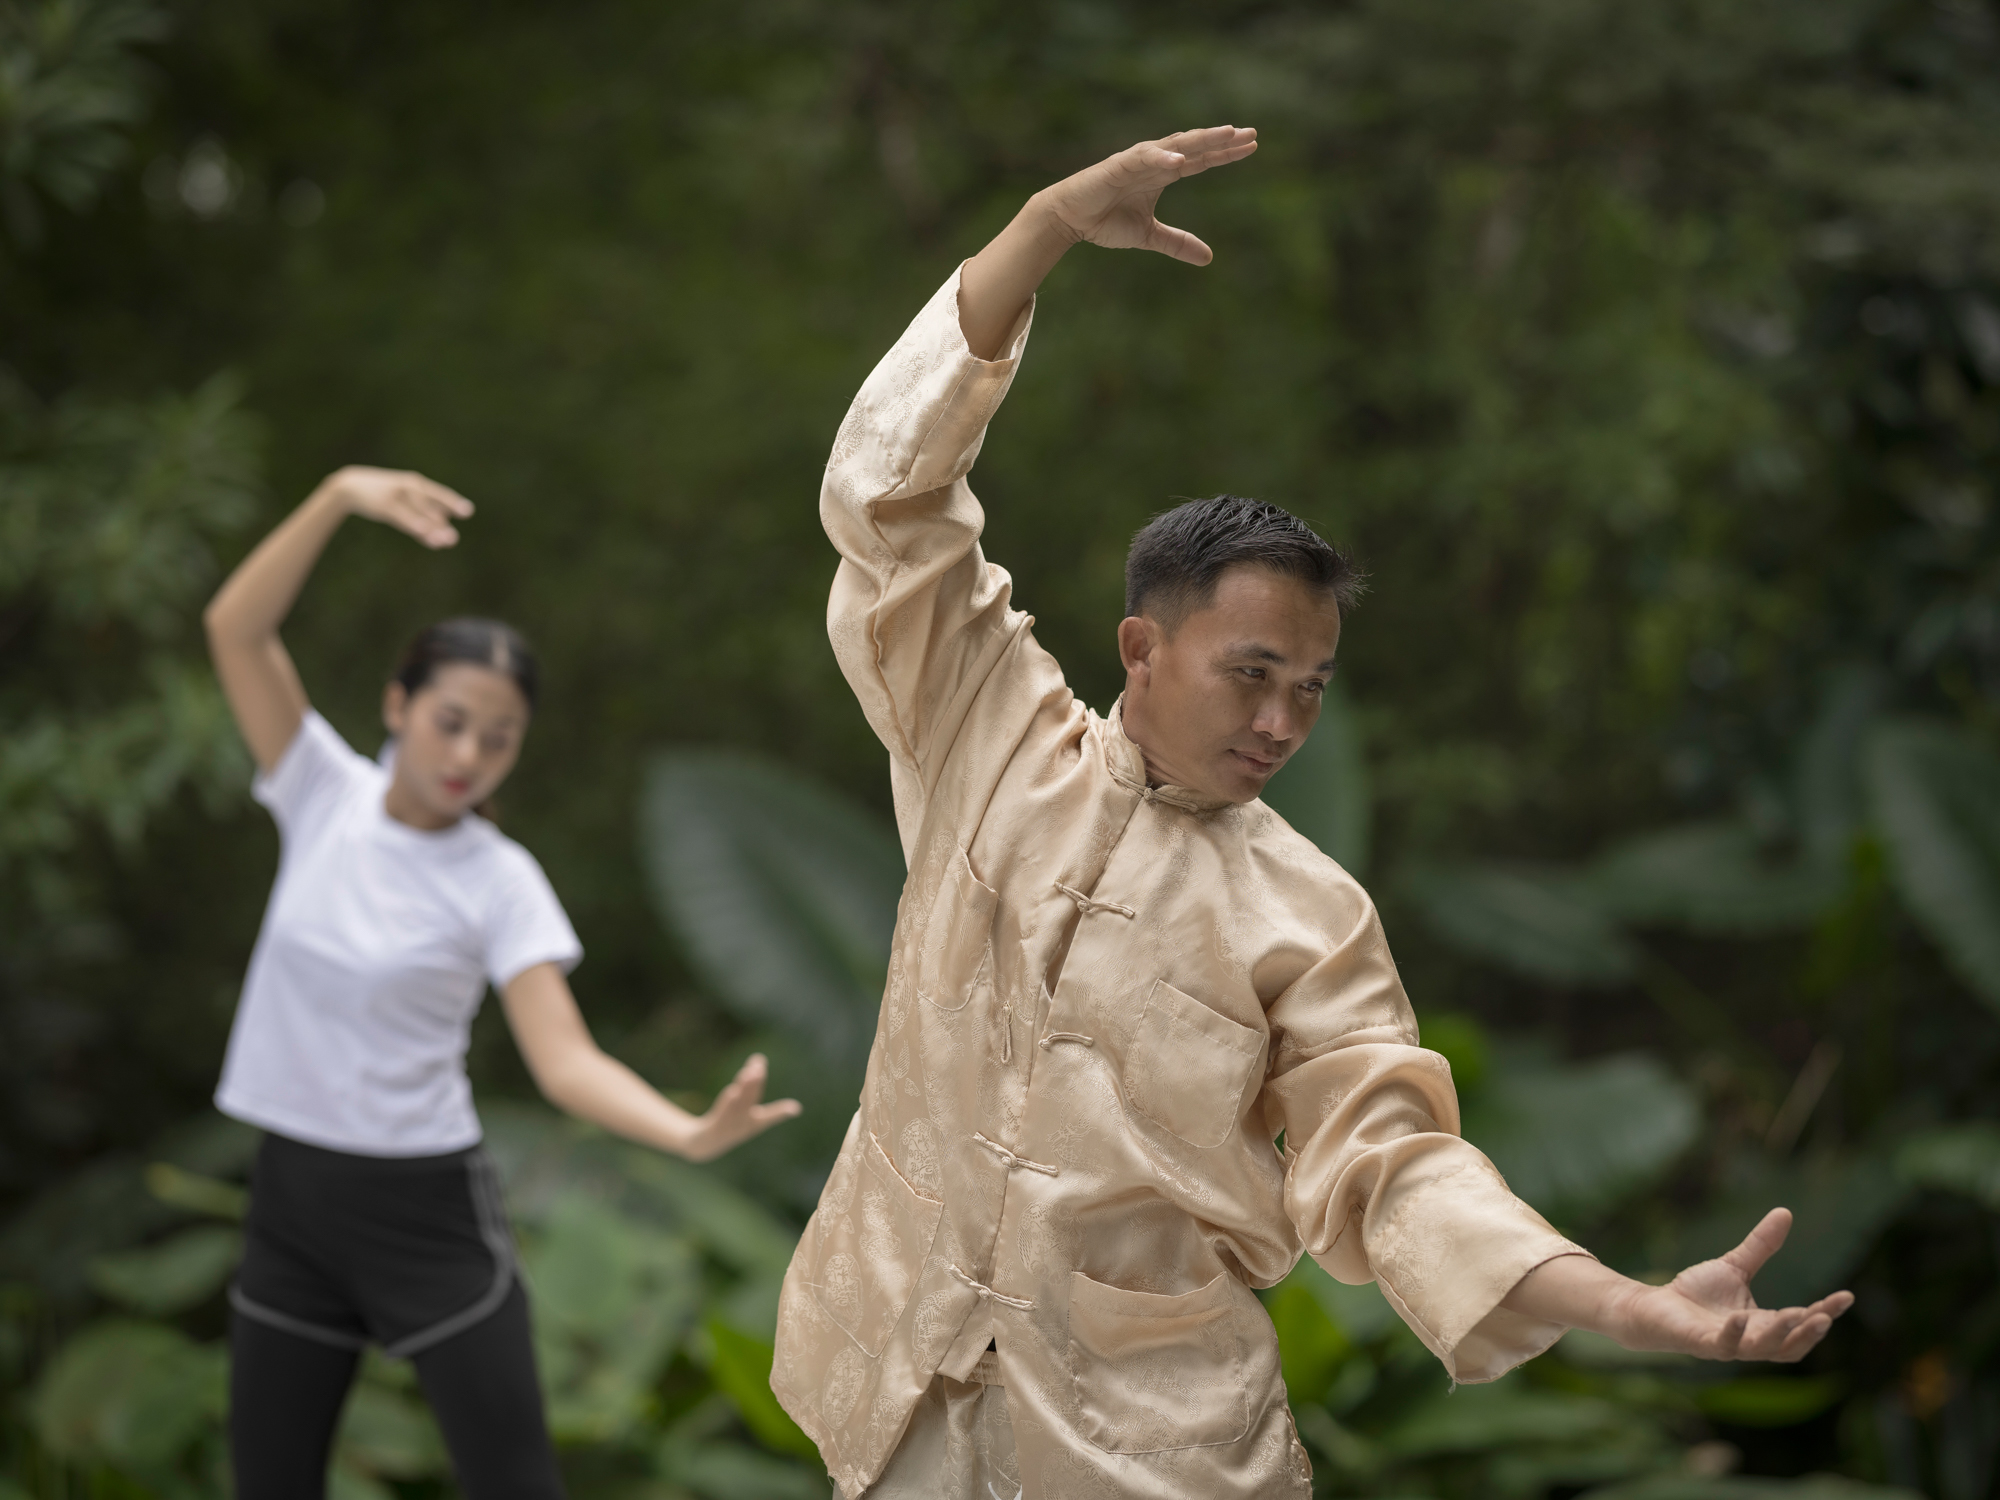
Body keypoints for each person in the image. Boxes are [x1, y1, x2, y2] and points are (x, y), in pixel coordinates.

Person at [770, 127, 1855, 1500]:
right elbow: (893, 503)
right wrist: (1043, 224)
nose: (1283, 719)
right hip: (904, 1388)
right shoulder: (988, 731)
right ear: (1141, 649)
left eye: (1314, 687)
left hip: (1153, 1448)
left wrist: (1627, 1304)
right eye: (1252, 675)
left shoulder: (1309, 910)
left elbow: (1392, 1162)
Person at [202, 466, 802, 1500]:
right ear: (397, 705)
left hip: (423, 1212)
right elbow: (235, 628)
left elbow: (562, 1057)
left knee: (515, 1486)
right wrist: (339, 497)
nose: (469, 754)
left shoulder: (499, 880)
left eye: (499, 737)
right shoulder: (318, 791)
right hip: (292, 1201)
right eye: (450, 721)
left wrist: (684, 1131)